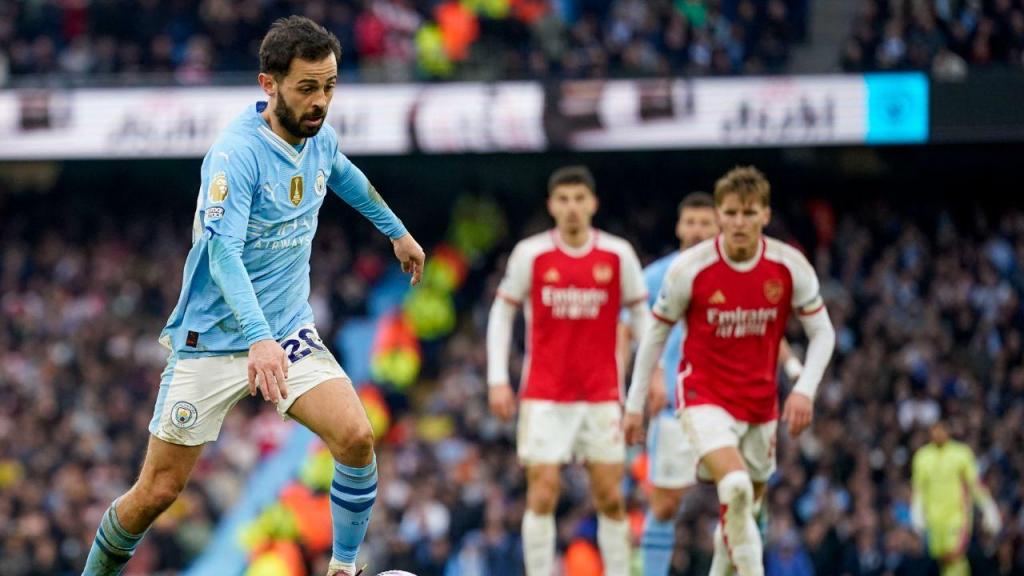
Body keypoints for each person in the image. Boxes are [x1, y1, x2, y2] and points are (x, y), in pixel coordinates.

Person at [81, 16, 425, 576]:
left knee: (357, 437)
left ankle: (342, 568)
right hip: (213, 341)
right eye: (307, 88)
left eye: (330, 86)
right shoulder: (234, 155)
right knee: (158, 492)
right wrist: (257, 339)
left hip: (286, 330)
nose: (321, 102)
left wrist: (396, 231)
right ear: (269, 85)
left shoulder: (319, 138)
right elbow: (223, 256)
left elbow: (341, 172)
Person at [629, 166, 835, 576]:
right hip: (700, 398)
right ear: (720, 215)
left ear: (764, 214)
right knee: (734, 487)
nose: (739, 222)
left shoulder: (789, 266)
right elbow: (651, 336)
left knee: (743, 510)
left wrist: (804, 388)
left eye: (748, 212)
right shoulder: (687, 269)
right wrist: (634, 404)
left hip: (759, 405)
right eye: (731, 213)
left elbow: (822, 332)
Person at [486, 165, 648, 576]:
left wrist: (650, 381)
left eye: (579, 199)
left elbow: (641, 318)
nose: (572, 207)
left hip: (602, 395)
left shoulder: (617, 254)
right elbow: (502, 314)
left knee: (610, 495)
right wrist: (498, 379)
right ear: (551, 205)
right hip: (544, 395)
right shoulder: (531, 254)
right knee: (542, 493)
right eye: (564, 199)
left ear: (593, 204)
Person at [911, 420, 1002, 576]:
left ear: (948, 430)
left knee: (955, 556)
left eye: (942, 428)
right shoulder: (922, 457)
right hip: (934, 520)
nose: (938, 433)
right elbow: (919, 489)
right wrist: (916, 512)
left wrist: (989, 508)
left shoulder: (961, 454)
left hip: (957, 517)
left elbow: (975, 485)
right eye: (935, 429)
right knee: (941, 560)